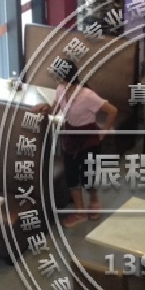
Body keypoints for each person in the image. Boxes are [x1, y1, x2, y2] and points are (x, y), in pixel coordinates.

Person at [35, 58, 117, 228]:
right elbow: (55, 110)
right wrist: (45, 107)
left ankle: (94, 200)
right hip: (70, 137)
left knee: (88, 177)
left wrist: (103, 133)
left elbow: (112, 111)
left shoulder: (87, 95)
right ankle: (80, 212)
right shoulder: (60, 89)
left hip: (88, 139)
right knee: (71, 176)